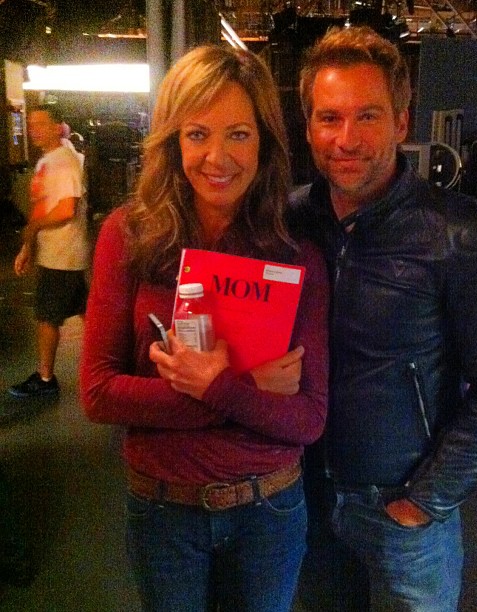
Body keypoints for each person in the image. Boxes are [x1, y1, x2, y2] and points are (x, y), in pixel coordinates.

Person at [290, 26, 477, 611]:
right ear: (309, 126)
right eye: (329, 118)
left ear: (401, 123)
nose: (346, 138)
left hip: (404, 508)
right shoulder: (290, 219)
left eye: (368, 116)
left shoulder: (462, 234)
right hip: (305, 497)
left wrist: (425, 501)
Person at [80, 44, 329, 612]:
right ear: (173, 141)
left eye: (238, 134)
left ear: (265, 142)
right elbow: (98, 393)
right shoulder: (128, 235)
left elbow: (308, 418)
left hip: (268, 509)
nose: (218, 157)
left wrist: (212, 388)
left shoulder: (295, 253)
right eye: (197, 134)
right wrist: (245, 388)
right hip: (163, 510)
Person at [9, 104, 88, 398]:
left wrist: (32, 229)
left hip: (63, 254)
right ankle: (115, 363)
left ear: (58, 127)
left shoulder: (64, 161)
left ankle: (45, 379)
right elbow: (42, 206)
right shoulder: (48, 160)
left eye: (41, 124)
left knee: (47, 317)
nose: (34, 130)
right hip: (57, 253)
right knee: (87, 312)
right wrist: (28, 246)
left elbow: (66, 209)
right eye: (31, 124)